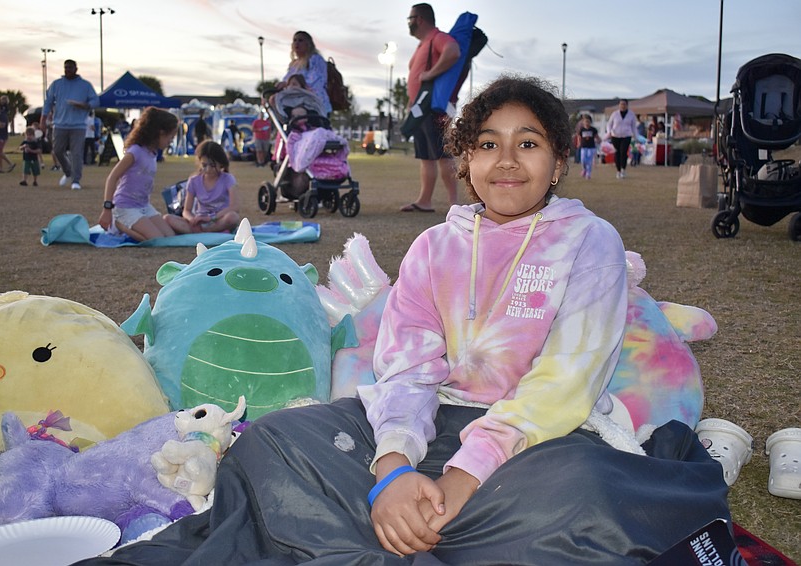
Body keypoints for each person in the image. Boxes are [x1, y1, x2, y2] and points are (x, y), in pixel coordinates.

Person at [77, 75, 731, 566]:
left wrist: (457, 480)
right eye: (487, 145)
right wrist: (392, 470)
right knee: (271, 444)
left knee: (583, 504)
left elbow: (560, 387)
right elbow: (408, 369)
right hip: (427, 425)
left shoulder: (590, 245)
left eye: (527, 144)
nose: (506, 161)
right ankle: (392, 530)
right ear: (466, 163)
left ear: (558, 161)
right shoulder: (437, 249)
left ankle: (367, 537)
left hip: (540, 445)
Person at [401, 3, 460, 212]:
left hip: (433, 108)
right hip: (419, 109)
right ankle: (424, 201)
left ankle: (454, 203)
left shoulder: (437, 37)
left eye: (409, 18)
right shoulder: (422, 44)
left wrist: (431, 73)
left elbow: (453, 51)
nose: (408, 23)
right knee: (426, 156)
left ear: (419, 19)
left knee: (443, 154)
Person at [98, 107, 178, 242]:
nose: (171, 141)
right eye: (171, 137)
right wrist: (107, 209)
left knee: (170, 237)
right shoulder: (135, 152)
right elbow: (112, 177)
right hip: (125, 206)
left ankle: (129, 224)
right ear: (160, 133)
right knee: (157, 240)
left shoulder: (152, 153)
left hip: (143, 206)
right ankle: (120, 225)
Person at [40, 59, 99, 190]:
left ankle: (76, 181)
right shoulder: (56, 84)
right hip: (60, 124)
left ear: (76, 69)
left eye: (70, 68)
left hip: (78, 125)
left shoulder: (85, 85)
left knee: (76, 153)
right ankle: (68, 172)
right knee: (57, 150)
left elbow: (96, 100)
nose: (68, 70)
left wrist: (85, 105)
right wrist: (42, 121)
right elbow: (48, 103)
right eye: (66, 67)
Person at [164, 140, 240, 234]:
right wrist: (192, 220)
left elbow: (234, 206)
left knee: (233, 217)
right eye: (204, 165)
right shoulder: (194, 181)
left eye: (212, 165)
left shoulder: (228, 179)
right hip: (199, 221)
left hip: (218, 219)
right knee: (167, 218)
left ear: (221, 164)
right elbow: (186, 210)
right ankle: (203, 230)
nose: (208, 170)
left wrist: (211, 218)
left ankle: (205, 231)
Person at [283, 31, 332, 116]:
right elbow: (287, 81)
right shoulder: (294, 64)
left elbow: (315, 81)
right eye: (295, 40)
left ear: (308, 44)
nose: (297, 43)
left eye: (300, 40)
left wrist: (296, 85)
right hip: (296, 101)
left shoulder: (315, 59)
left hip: (314, 103)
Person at [606, 99, 639, 179]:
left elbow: (634, 126)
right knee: (617, 153)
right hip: (615, 136)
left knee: (623, 152)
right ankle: (618, 171)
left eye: (624, 104)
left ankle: (623, 170)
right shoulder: (615, 114)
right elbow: (609, 124)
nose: (622, 106)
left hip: (626, 135)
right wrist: (609, 132)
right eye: (621, 104)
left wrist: (636, 136)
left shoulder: (631, 114)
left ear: (627, 105)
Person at [0, 101, 14, 174]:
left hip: (1, 136)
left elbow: (2, 125)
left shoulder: (2, 115)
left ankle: (10, 164)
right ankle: (1, 168)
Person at [577, 114, 600, 179]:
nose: (587, 123)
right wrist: (578, 143)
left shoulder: (593, 129)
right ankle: (584, 169)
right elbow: (579, 136)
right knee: (583, 160)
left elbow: (596, 136)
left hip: (591, 147)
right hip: (583, 147)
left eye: (588, 122)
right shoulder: (581, 129)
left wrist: (599, 140)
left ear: (590, 122)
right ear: (583, 122)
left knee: (589, 161)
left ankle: (588, 174)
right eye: (585, 121)